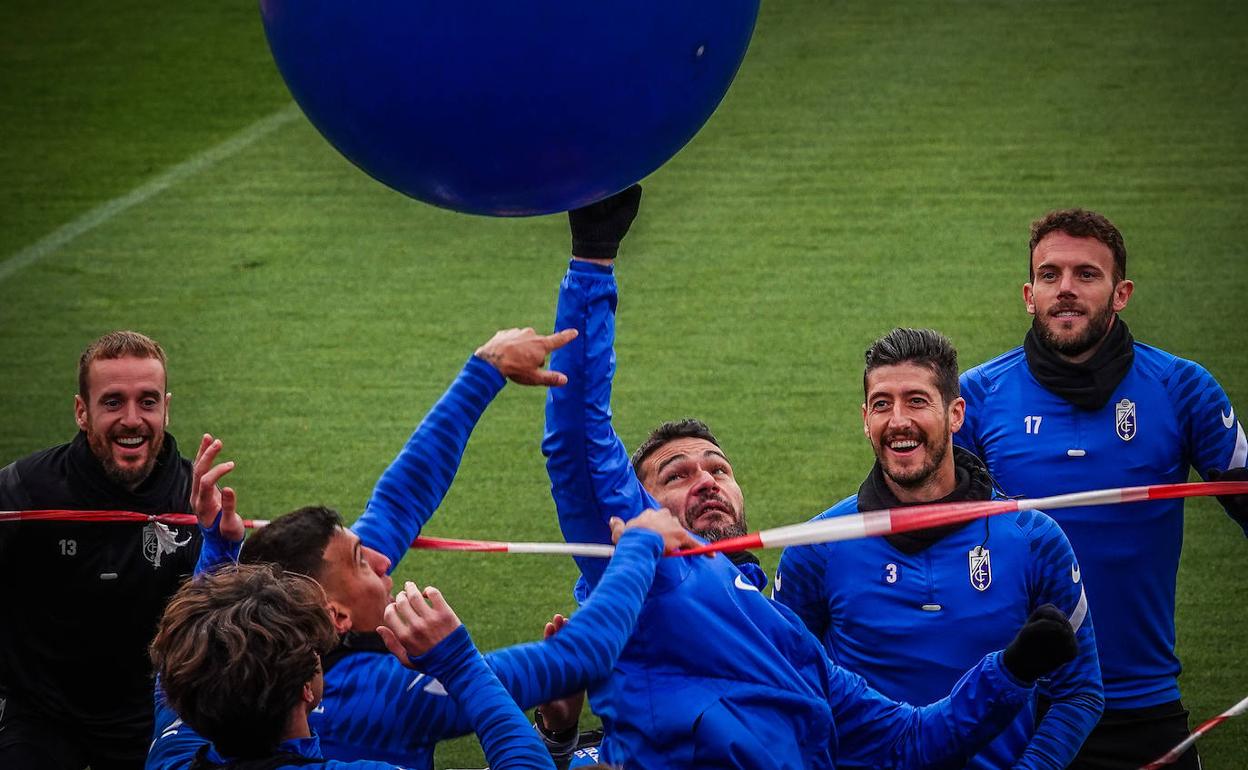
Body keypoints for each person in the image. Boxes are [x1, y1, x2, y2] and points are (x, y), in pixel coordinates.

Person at [540, 185, 1080, 769]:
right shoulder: (644, 588)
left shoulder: (783, 633)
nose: (706, 481)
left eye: (719, 468)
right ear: (634, 509)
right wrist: (592, 264)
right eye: (676, 474)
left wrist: (1011, 671)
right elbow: (577, 443)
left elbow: (911, 741)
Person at [153, 329, 691, 770]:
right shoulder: (386, 699)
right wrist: (640, 548)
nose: (385, 557)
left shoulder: (179, 732)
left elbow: (396, 505)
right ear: (331, 621)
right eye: (364, 561)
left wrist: (218, 551)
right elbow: (578, 657)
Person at [954, 208, 1248, 769]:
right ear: (1028, 293)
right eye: (1050, 275)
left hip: (1143, 706)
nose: (1065, 289)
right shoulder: (977, 397)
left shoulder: (1181, 389)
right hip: (1022, 711)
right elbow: (932, 533)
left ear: (1121, 293)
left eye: (1086, 274)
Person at [774, 327, 1103, 769]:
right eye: (881, 404)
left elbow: (1079, 691)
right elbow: (785, 690)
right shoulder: (816, 548)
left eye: (916, 400)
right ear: (864, 419)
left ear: (955, 414)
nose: (898, 421)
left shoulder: (1033, 539)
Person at [0, 330, 228, 770]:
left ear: (166, 407)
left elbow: (223, 616)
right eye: (112, 402)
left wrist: (223, 536)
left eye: (147, 401)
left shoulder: (194, 500)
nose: (131, 419)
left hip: (153, 717)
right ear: (82, 412)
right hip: (40, 716)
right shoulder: (23, 493)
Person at [146, 561, 548, 770]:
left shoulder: (171, 756)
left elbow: (177, 671)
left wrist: (217, 554)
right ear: (307, 689)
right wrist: (461, 664)